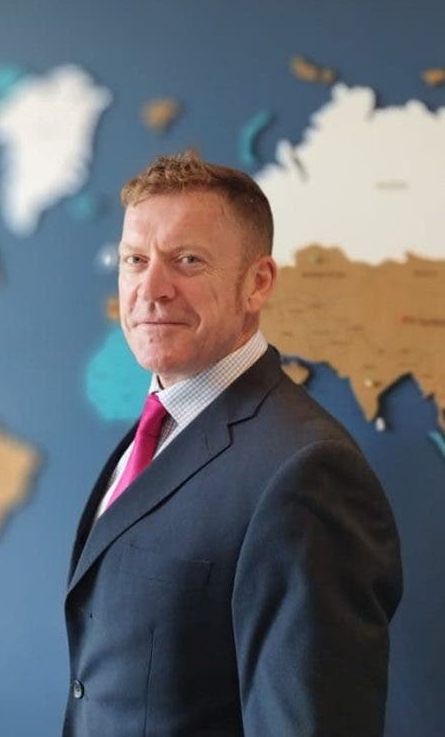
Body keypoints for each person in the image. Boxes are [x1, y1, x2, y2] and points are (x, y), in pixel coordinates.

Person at [63, 150, 402, 736]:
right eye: (135, 259)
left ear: (257, 283)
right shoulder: (155, 429)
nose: (151, 288)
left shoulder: (306, 472)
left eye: (188, 260)